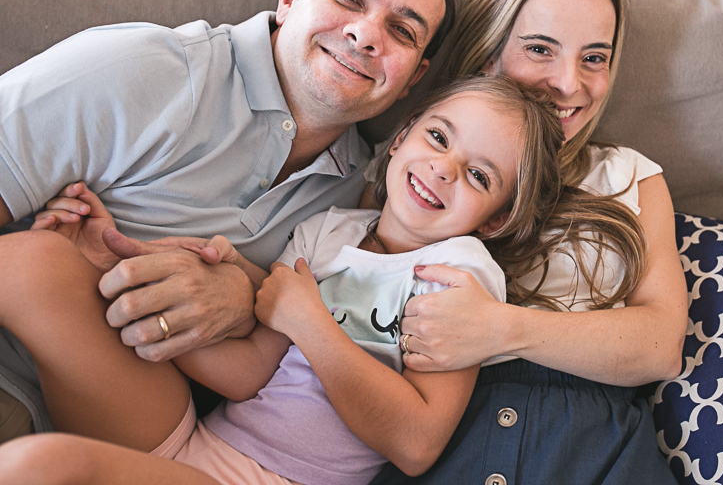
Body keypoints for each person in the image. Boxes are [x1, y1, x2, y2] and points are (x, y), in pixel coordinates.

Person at [0, 77, 569, 484]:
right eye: (439, 138)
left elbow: (417, 445)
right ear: (401, 139)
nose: (444, 167)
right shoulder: (329, 230)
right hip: (199, 444)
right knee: (30, 261)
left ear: (496, 218)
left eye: (477, 174)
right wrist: (120, 277)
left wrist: (310, 321)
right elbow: (249, 374)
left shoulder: (460, 275)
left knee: (37, 467)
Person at [0, 0, 454, 387]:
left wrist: (247, 299)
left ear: (413, 79)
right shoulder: (144, 70)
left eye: (403, 31)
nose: (366, 35)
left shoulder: (362, 197)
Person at [371, 0, 688, 484]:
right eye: (540, 49)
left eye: (594, 57)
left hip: (596, 453)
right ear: (487, 50)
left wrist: (500, 329)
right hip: (440, 433)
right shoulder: (424, 160)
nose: (569, 83)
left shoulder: (629, 178)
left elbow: (660, 346)